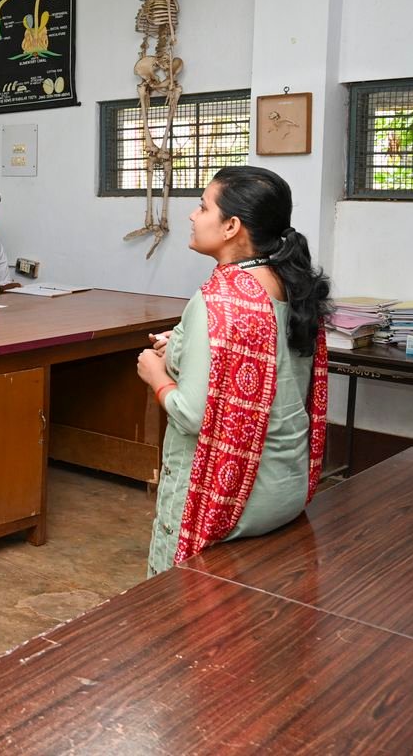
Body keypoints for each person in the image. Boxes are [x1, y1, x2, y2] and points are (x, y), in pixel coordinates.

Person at [137, 167, 331, 576]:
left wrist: (156, 373)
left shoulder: (221, 300)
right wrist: (184, 347)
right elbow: (262, 360)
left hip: (230, 498)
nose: (192, 216)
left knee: (171, 610)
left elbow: (192, 414)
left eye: (203, 206)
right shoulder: (288, 282)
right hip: (285, 488)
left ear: (231, 226)